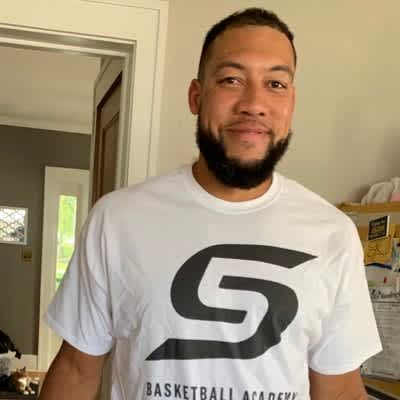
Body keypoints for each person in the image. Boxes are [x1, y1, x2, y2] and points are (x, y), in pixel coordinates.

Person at [39, 8, 381, 400]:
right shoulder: (117, 220)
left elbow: (339, 392)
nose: (254, 104)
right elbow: (76, 371)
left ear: (291, 103)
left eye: (275, 83)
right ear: (196, 96)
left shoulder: (333, 234)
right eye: (232, 80)